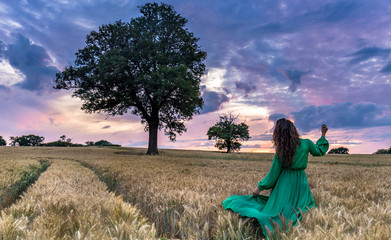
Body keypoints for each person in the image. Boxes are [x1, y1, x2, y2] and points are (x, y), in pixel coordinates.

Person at [222, 118, 329, 238]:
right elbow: (319, 151)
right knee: (300, 208)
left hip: (284, 184)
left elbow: (273, 174)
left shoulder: (282, 149)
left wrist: (260, 187)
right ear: (293, 130)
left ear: (279, 133)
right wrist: (323, 135)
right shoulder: (307, 143)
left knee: (277, 211)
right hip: (301, 183)